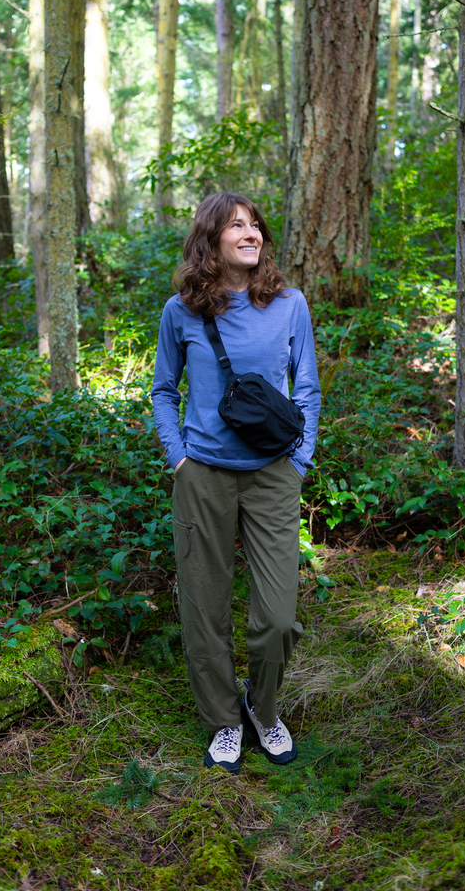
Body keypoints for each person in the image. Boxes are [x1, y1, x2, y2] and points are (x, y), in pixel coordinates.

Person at [151, 192, 320, 774]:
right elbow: (163, 390)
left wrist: (300, 459)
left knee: (277, 618)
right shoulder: (181, 312)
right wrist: (179, 458)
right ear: (210, 240)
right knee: (205, 611)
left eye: (255, 226)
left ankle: (261, 708)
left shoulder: (290, 304)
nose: (251, 234)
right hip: (202, 476)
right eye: (236, 226)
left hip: (274, 474)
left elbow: (307, 388)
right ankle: (224, 720)